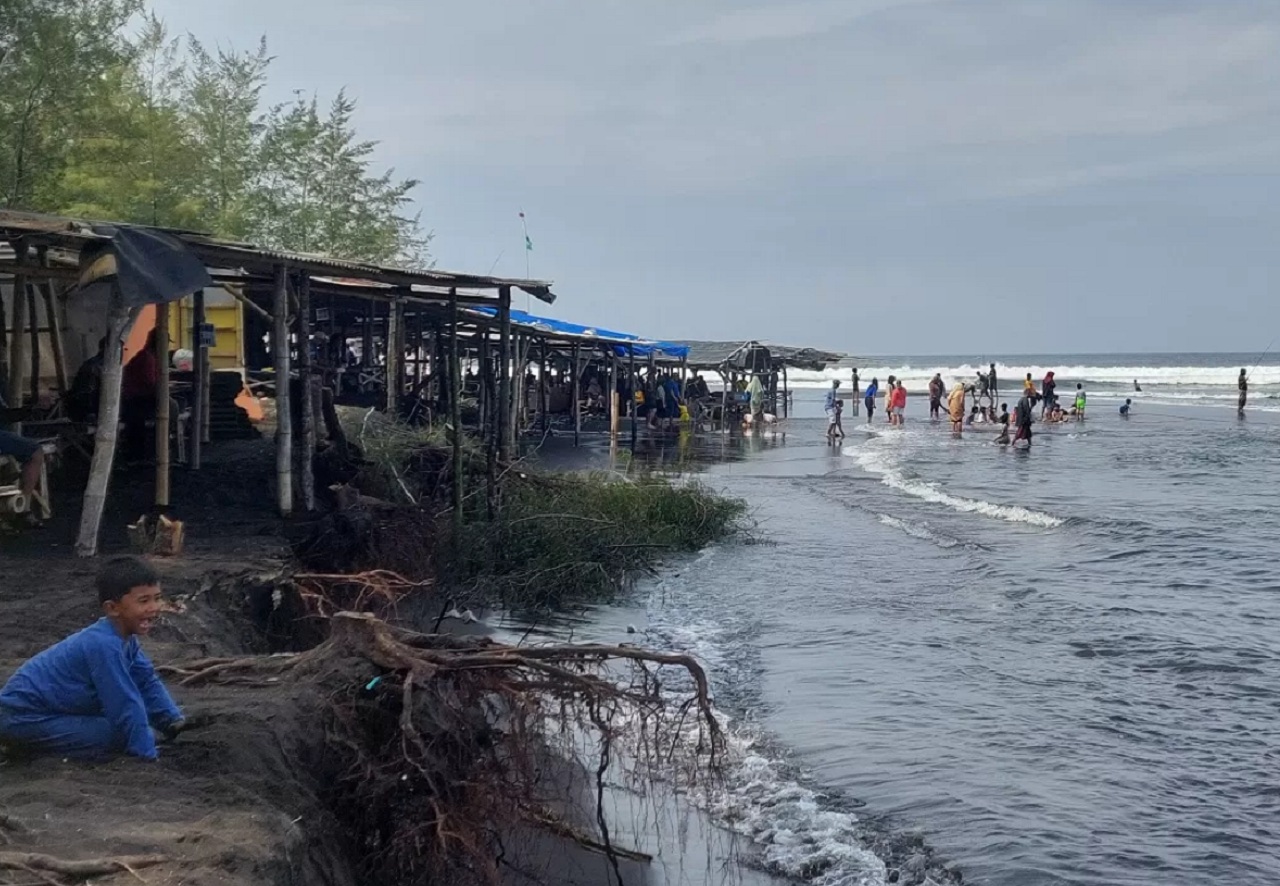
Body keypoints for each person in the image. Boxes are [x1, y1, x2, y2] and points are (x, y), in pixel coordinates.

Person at [0, 557, 184, 761]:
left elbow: (146, 680)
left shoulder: (124, 639)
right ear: (112, 608)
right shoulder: (103, 644)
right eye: (144, 601)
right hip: (22, 718)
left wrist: (173, 720)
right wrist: (147, 754)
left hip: (46, 712)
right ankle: (23, 750)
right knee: (122, 734)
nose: (154, 607)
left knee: (135, 726)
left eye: (157, 598)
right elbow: (122, 701)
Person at [121, 330, 160, 460]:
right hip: (136, 400)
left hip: (134, 399)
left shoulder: (146, 356)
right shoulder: (147, 358)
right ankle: (154, 449)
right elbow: (150, 382)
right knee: (171, 407)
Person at [67, 337, 107, 423]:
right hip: (92, 408)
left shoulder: (90, 363)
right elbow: (89, 391)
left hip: (81, 406)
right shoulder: (102, 366)